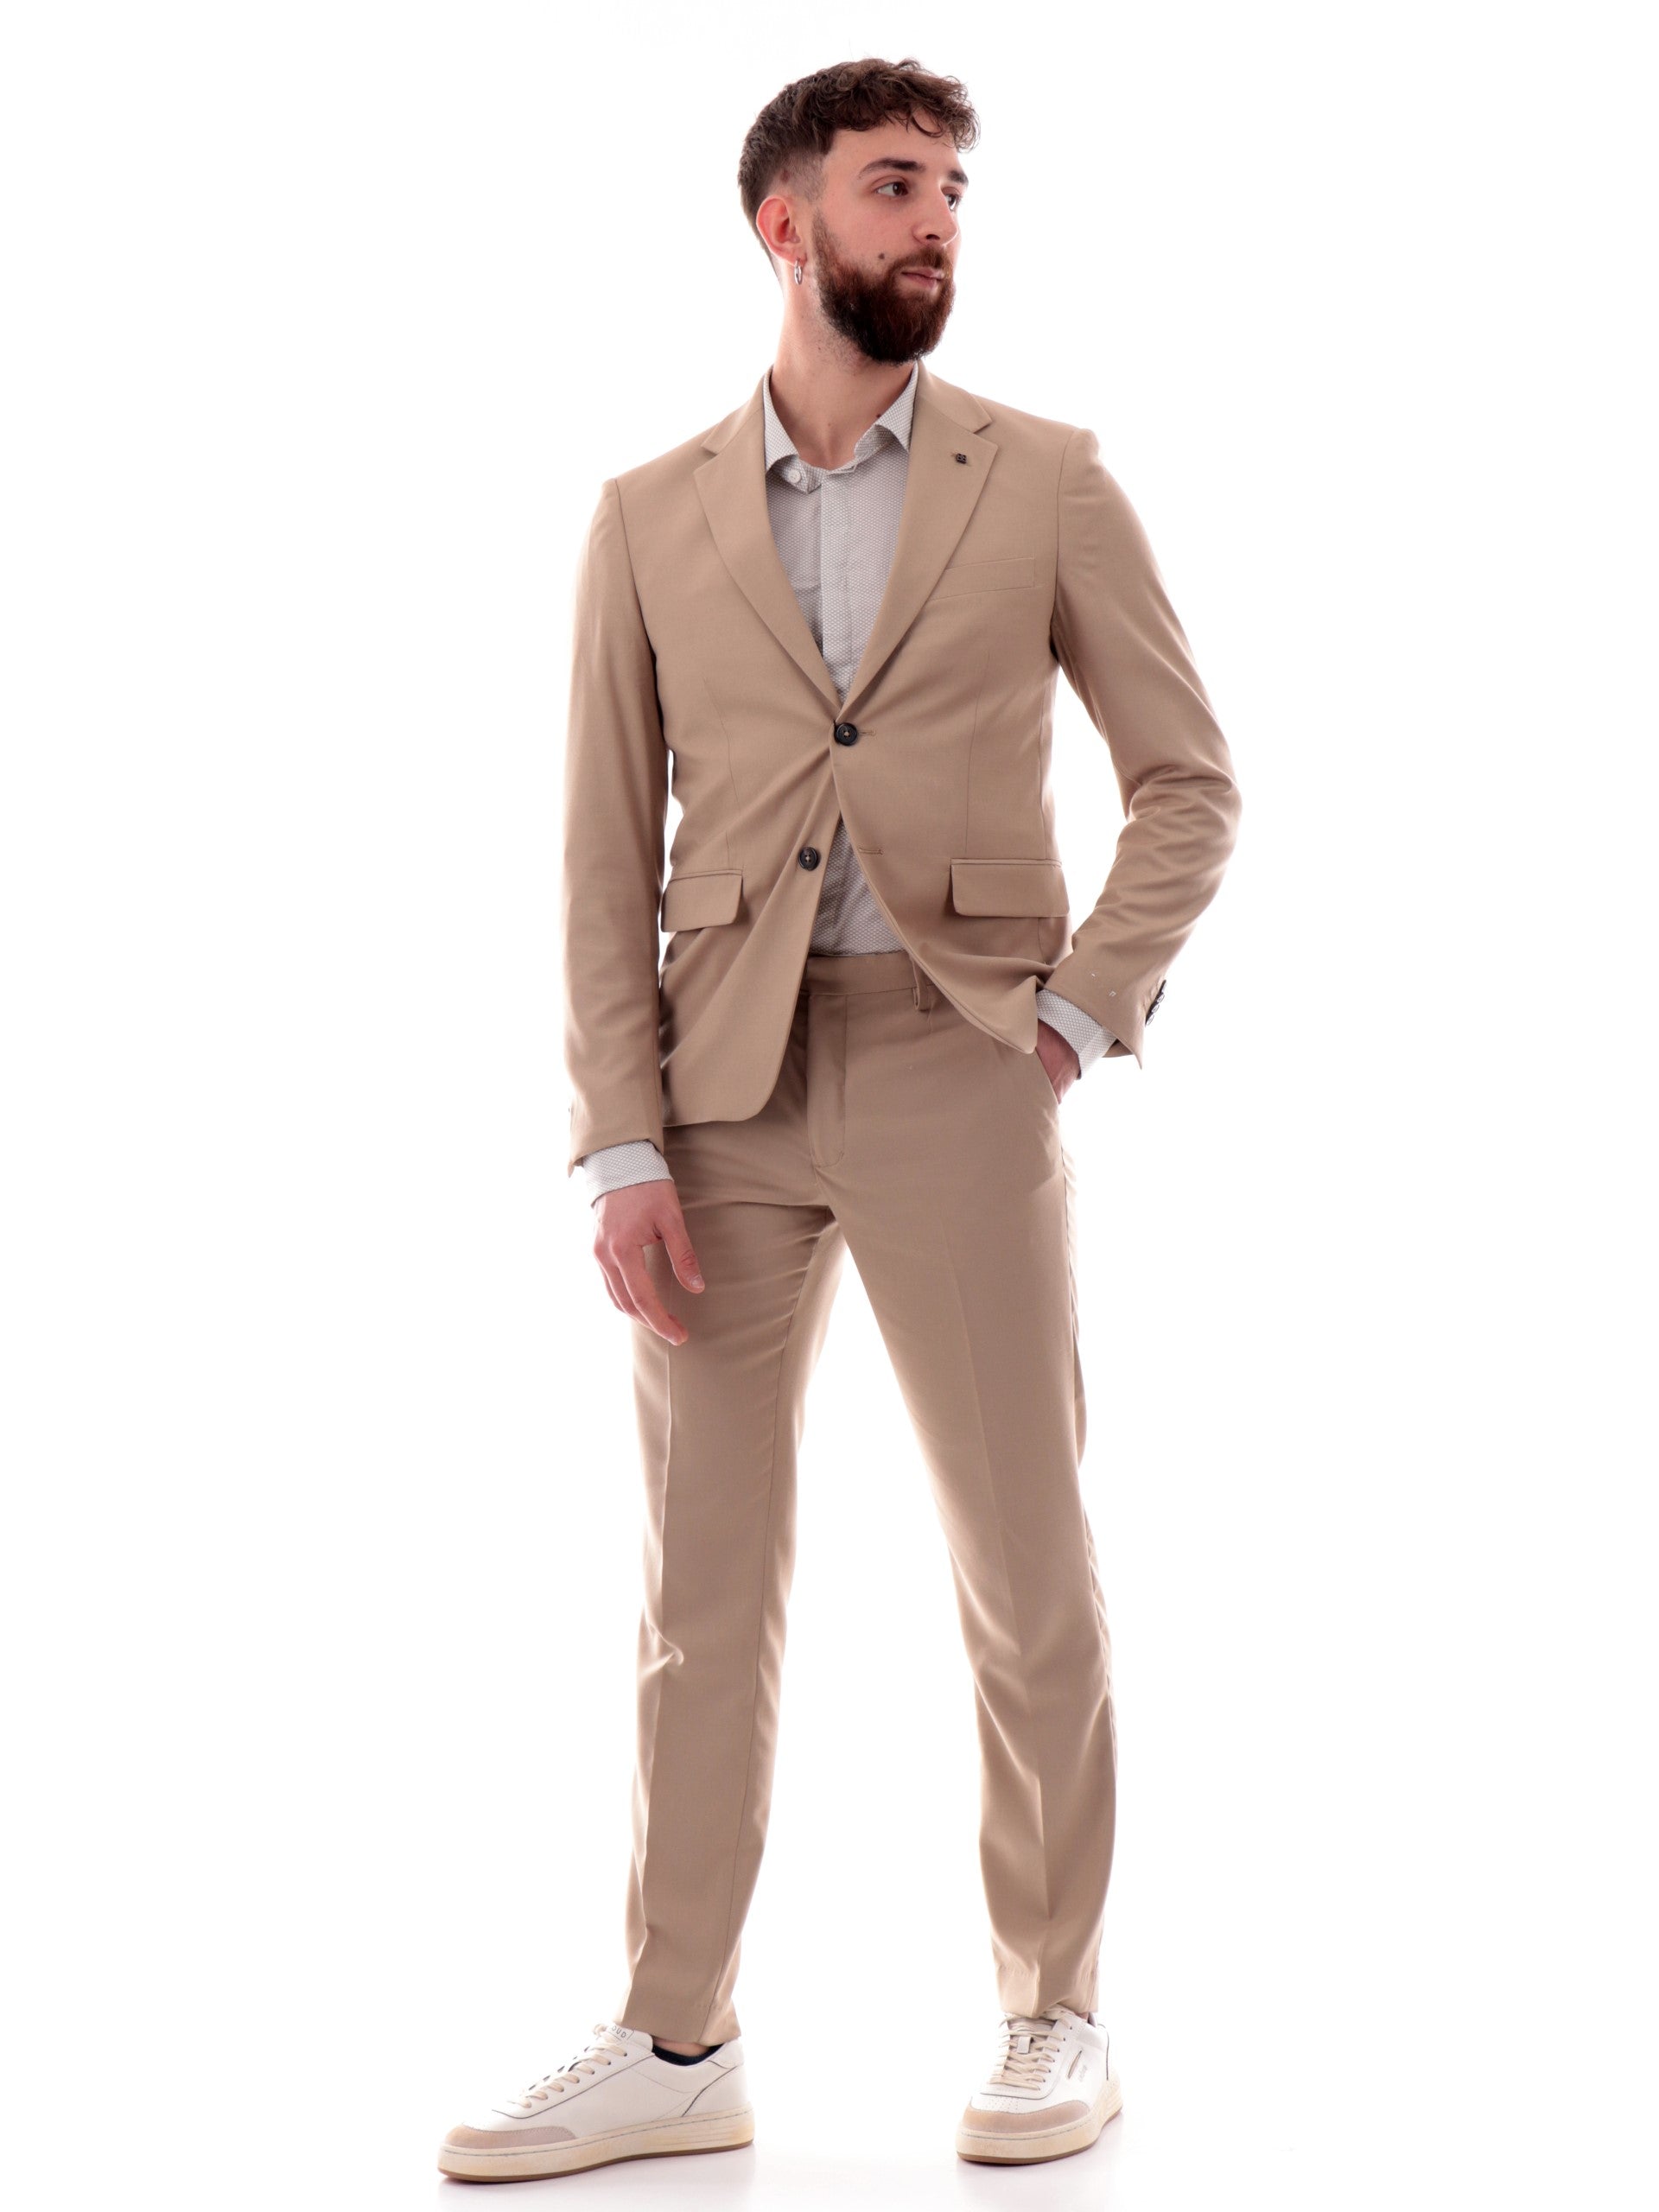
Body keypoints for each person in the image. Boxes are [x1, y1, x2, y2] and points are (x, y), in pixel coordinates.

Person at [438, 54, 1242, 2182]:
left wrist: (1068, 1020)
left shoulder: (1046, 478)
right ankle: (675, 2037)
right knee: (699, 1591)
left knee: (1025, 1562)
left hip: (961, 1066)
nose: (938, 222)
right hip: (717, 1103)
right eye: (895, 186)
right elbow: (600, 854)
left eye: (954, 188)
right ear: (782, 223)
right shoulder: (645, 516)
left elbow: (1189, 782)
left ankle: (1056, 2008)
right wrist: (619, 1140)